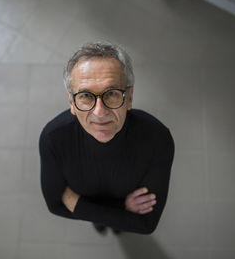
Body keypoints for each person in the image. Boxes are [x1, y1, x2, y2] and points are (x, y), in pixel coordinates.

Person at [39, 42, 174, 235]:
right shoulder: (53, 138)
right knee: (105, 224)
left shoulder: (157, 138)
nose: (100, 112)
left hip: (86, 203)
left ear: (129, 97)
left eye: (111, 94)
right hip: (124, 207)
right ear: (71, 102)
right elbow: (54, 205)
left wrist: (75, 202)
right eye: (86, 95)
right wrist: (122, 209)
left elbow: (146, 224)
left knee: (116, 227)